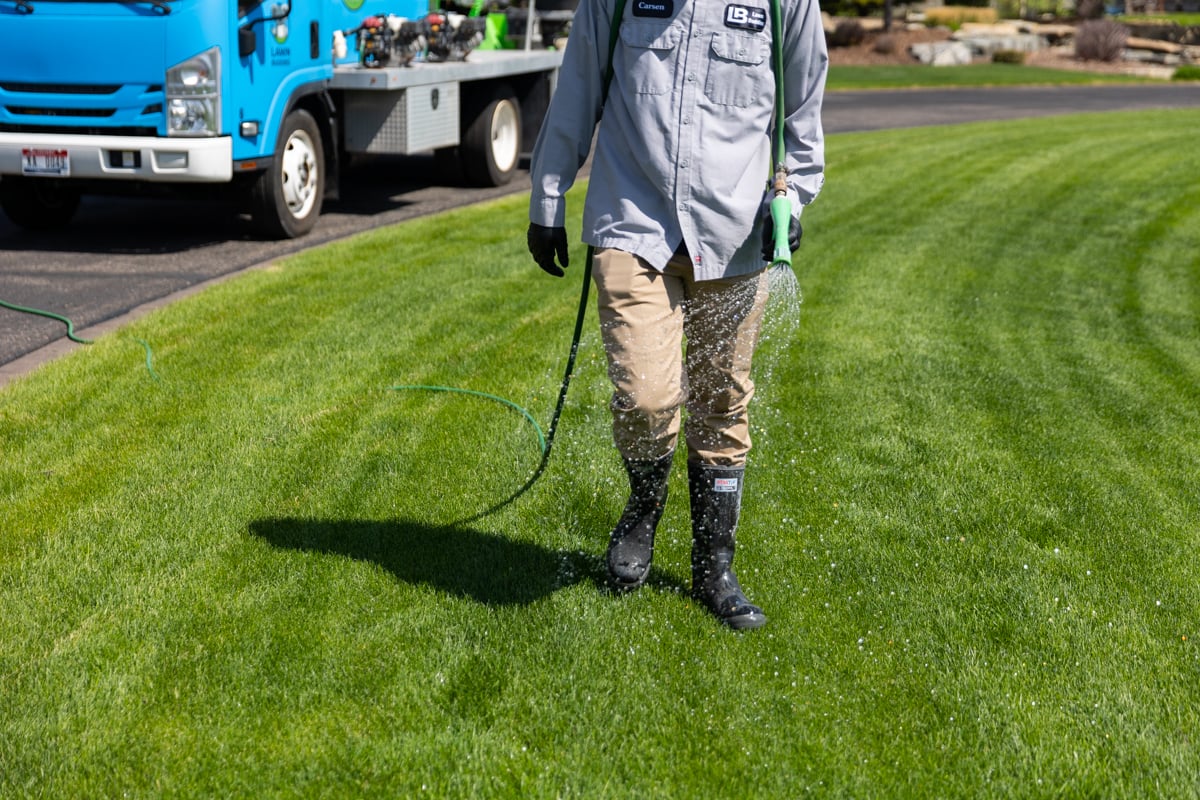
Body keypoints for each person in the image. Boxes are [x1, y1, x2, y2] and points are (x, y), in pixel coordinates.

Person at [526, 0, 826, 629]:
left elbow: (802, 110)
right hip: (634, 220)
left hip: (736, 230)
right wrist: (548, 198)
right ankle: (643, 506)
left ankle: (714, 566)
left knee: (722, 401)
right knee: (645, 396)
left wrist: (791, 200)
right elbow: (577, 87)